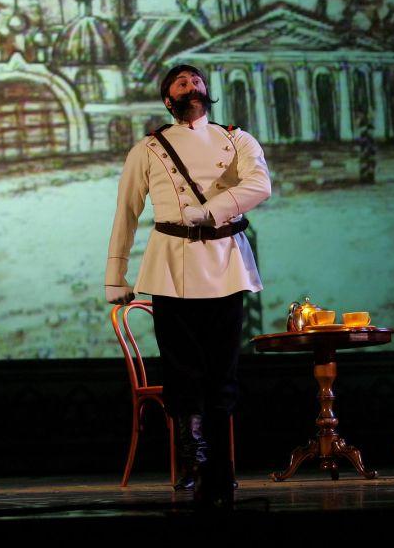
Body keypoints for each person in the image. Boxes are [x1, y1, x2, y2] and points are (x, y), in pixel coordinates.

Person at [104, 64, 271, 504]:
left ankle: (221, 467)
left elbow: (260, 185)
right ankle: (193, 461)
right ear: (168, 99)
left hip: (226, 264)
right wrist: (115, 274)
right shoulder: (148, 148)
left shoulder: (237, 139)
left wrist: (211, 210)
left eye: (197, 81)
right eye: (181, 83)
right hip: (171, 267)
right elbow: (126, 212)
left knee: (222, 373)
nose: (191, 86)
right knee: (183, 372)